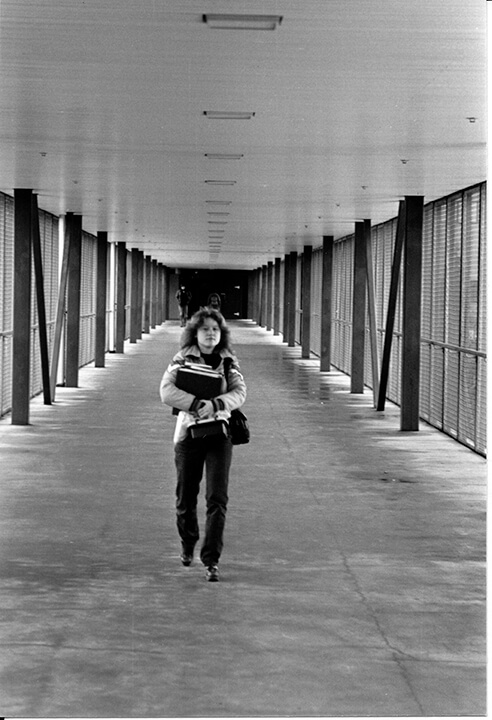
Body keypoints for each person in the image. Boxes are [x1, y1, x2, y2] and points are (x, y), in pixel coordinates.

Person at [159, 309, 247, 582]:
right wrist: (197, 404)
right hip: (189, 434)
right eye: (205, 328)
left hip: (220, 434)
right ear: (195, 332)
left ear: (221, 336)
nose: (211, 333)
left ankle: (211, 560)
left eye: (216, 330)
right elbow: (166, 391)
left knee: (217, 499)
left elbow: (240, 392)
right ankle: (187, 543)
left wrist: (216, 405)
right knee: (186, 496)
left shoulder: (229, 362)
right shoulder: (181, 359)